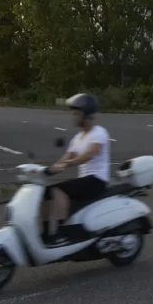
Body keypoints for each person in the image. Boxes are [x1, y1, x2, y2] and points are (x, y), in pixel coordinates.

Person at [40, 93, 110, 246]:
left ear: (86, 115)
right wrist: (47, 171)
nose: (73, 116)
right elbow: (66, 157)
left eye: (76, 113)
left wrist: (68, 164)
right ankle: (46, 234)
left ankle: (60, 233)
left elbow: (89, 154)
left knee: (58, 191)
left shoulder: (99, 133)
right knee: (45, 193)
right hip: (84, 180)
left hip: (96, 180)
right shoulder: (77, 138)